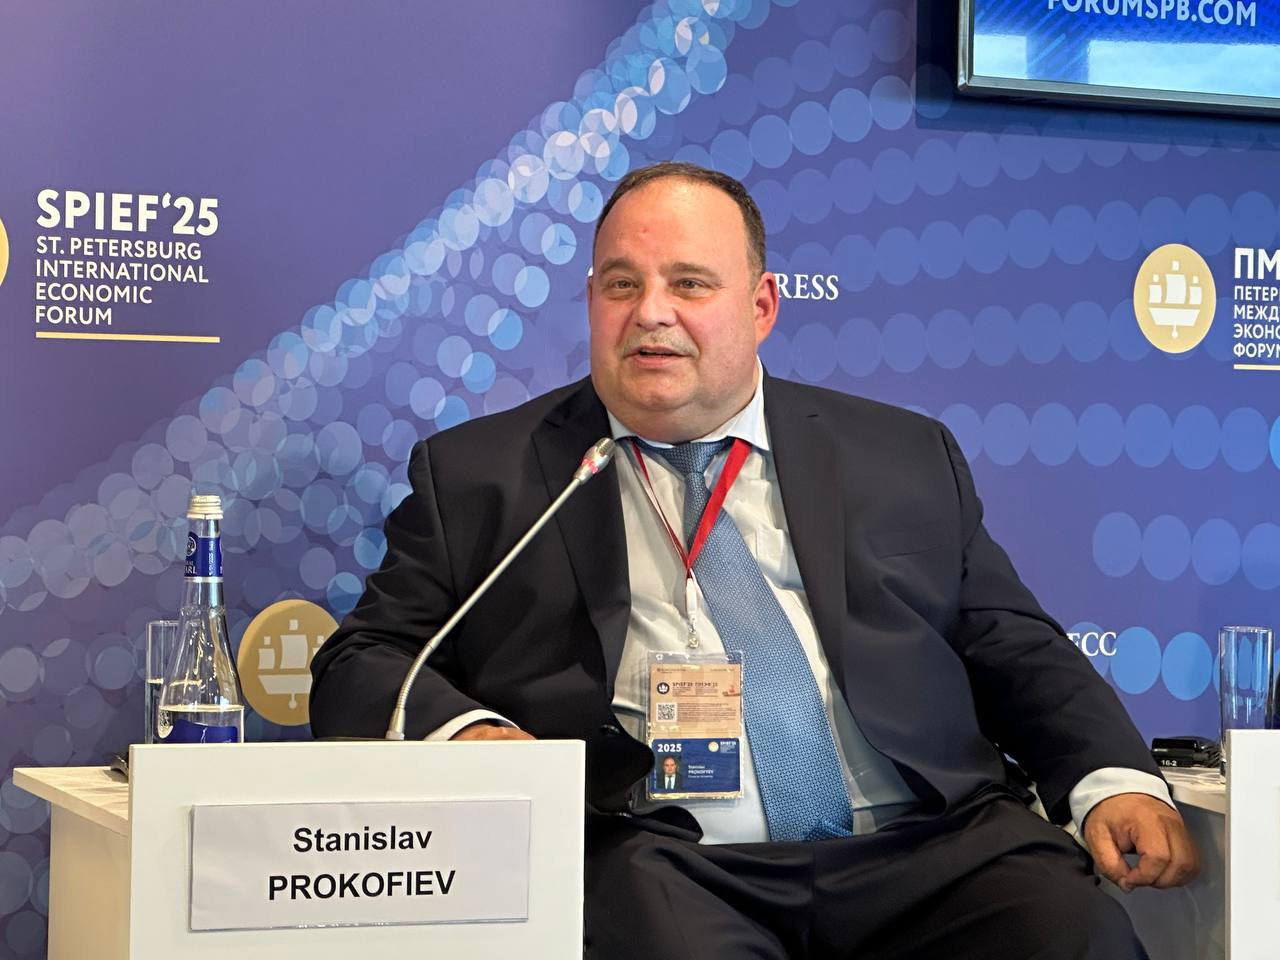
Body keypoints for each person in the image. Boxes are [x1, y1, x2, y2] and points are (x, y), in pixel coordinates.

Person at [310, 162, 1198, 959]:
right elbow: (365, 657)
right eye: (621, 284)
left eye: (689, 283)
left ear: (762, 306)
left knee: (1068, 928)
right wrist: (471, 734)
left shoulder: (900, 454)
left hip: (925, 845)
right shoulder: (484, 473)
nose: (650, 312)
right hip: (664, 857)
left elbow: (1014, 643)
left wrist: (1110, 780)